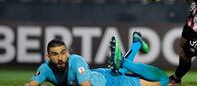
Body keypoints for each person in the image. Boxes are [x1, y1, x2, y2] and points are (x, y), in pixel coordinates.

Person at [25, 32, 169, 86]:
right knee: (121, 69)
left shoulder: (76, 61)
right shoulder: (45, 68)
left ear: (68, 53)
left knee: (162, 83)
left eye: (63, 53)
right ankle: (136, 43)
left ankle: (128, 54)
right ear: (48, 57)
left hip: (113, 82)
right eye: (55, 55)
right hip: (101, 75)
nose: (60, 58)